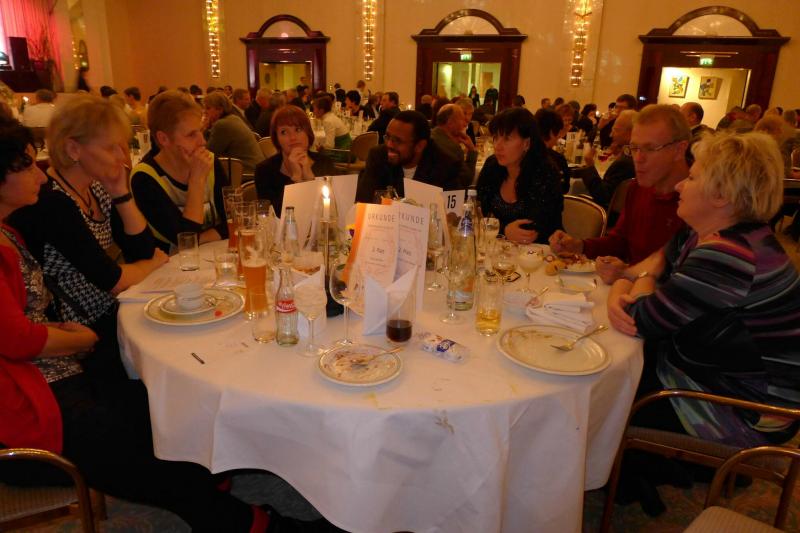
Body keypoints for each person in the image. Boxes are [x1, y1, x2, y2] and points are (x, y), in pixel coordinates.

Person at [0, 120, 330, 533]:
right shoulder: (30, 221)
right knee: (150, 452)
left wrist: (59, 333)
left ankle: (212, 484)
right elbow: (16, 339)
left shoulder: (10, 229)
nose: (39, 174)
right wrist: (76, 339)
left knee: (165, 412)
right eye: (26, 166)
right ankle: (250, 523)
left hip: (53, 372)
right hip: (26, 407)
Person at [607, 130, 800, 453]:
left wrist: (625, 286)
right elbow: (655, 263)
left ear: (721, 195)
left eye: (693, 178)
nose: (680, 185)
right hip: (720, 379)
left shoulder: (730, 255)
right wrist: (637, 279)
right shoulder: (714, 233)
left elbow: (638, 319)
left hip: (746, 412)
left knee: (605, 397)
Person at [9, 95, 168, 387]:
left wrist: (121, 193)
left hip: (111, 312)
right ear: (73, 149)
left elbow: (141, 249)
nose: (122, 156)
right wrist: (155, 263)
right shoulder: (52, 202)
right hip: (80, 332)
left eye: (123, 146)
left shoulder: (97, 188)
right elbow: (113, 279)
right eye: (110, 147)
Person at [550, 104, 690, 283]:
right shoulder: (637, 188)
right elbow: (620, 241)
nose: (638, 159)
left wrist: (629, 272)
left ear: (679, 149)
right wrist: (580, 245)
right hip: (628, 290)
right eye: (634, 148)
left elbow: (690, 281)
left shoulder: (701, 203)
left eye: (650, 149)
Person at [131, 90, 229, 252]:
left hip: (218, 257)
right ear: (163, 139)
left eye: (201, 131)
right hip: (173, 265)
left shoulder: (210, 162)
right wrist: (196, 180)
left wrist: (199, 239)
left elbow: (233, 221)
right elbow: (185, 239)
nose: (202, 141)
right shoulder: (144, 178)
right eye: (191, 135)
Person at [476, 107, 563, 244]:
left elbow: (535, 229)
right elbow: (478, 215)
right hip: (498, 248)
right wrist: (504, 231)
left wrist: (500, 231)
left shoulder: (545, 173)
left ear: (526, 143)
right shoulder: (492, 166)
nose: (498, 146)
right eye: (496, 138)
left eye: (507, 139)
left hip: (541, 250)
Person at [356, 110, 464, 202]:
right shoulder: (378, 156)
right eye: (388, 137)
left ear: (420, 146)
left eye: (397, 141)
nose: (389, 145)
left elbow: (451, 215)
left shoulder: (445, 166)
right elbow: (364, 200)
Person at [254, 105, 336, 214]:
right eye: (284, 132)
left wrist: (309, 176)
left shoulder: (325, 163)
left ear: (308, 133)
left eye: (298, 129)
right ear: (277, 139)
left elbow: (333, 210)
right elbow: (272, 215)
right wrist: (296, 177)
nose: (292, 137)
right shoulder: (264, 170)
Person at [572, 109, 637, 209]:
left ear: (630, 133)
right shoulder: (632, 155)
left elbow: (602, 196)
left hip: (607, 213)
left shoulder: (625, 163)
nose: (611, 135)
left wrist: (590, 165)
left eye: (615, 130)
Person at [203, 91, 264, 171]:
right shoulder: (234, 118)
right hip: (256, 167)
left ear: (220, 109)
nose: (204, 111)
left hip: (247, 172)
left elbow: (208, 154)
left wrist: (203, 129)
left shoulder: (222, 124)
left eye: (208, 108)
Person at [430, 104, 477, 186]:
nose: (465, 124)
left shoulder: (430, 135)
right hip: (445, 192)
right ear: (450, 123)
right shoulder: (452, 148)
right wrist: (472, 150)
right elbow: (466, 180)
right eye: (462, 119)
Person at [533, 108, 570, 193]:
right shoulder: (557, 159)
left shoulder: (521, 154)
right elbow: (565, 188)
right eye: (558, 133)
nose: (558, 137)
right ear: (552, 133)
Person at [312, 95, 352, 162]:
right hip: (347, 151)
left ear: (321, 111)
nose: (313, 112)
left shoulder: (327, 121)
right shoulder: (331, 116)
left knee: (313, 156)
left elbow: (329, 146)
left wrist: (321, 147)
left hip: (343, 153)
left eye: (314, 109)